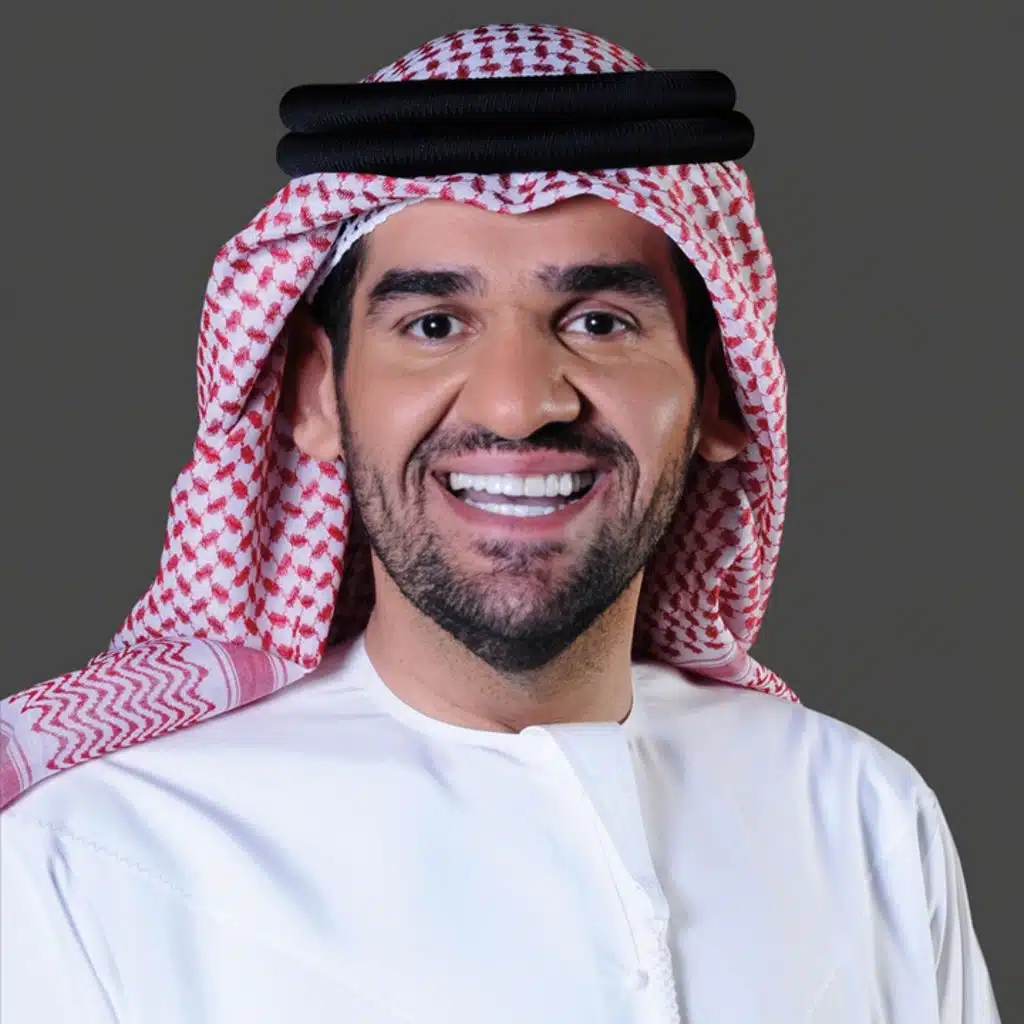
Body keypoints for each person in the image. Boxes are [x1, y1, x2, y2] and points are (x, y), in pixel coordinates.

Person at [0, 22, 1001, 1024]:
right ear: (311, 393)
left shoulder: (858, 816)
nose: (519, 404)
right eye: (433, 325)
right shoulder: (96, 862)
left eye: (599, 322)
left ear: (719, 393)